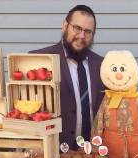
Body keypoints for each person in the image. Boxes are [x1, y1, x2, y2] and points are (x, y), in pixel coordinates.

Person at [31, 5, 105, 149]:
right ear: (65, 25)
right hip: (53, 151)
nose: (82, 36)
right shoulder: (40, 60)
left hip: (93, 153)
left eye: (88, 31)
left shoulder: (102, 65)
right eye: (77, 28)